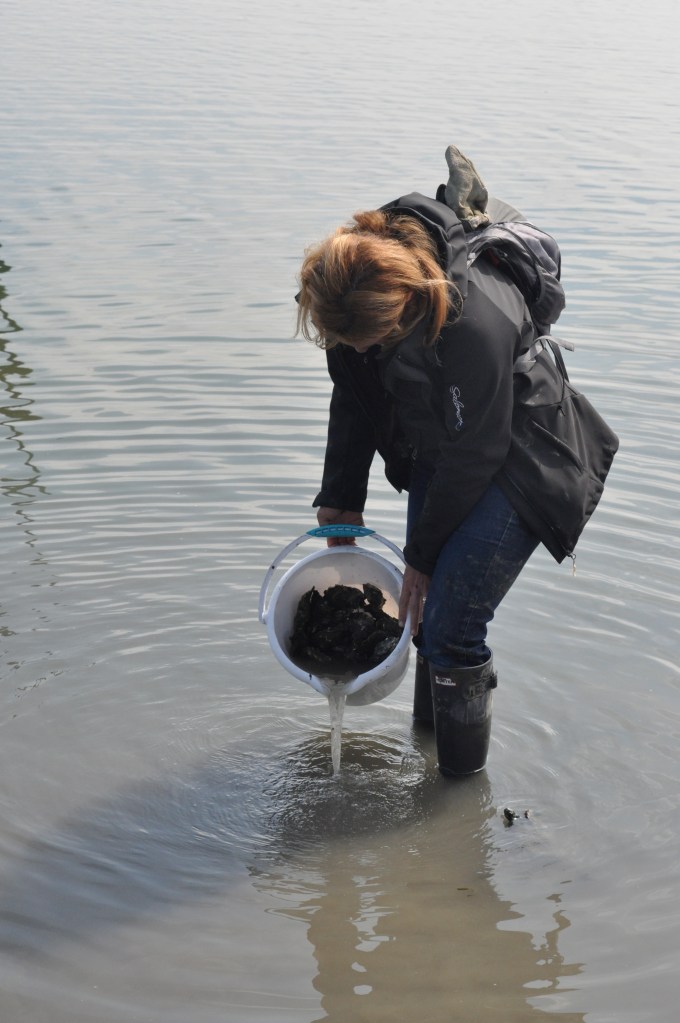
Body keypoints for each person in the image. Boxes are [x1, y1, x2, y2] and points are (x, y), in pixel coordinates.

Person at [295, 147, 566, 776]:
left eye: (361, 340)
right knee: (422, 617)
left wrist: (420, 555)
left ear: (402, 311)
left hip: (523, 454)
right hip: (446, 443)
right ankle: (429, 765)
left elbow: (478, 451)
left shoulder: (474, 319)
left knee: (449, 625)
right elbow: (355, 392)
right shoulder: (346, 291)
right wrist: (341, 498)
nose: (350, 349)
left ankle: (457, 790)